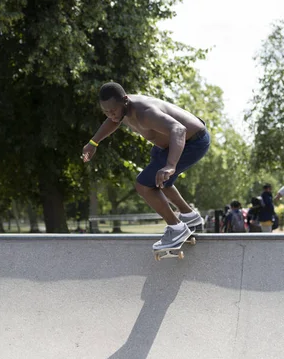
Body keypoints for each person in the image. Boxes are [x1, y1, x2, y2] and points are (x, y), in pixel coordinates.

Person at [82, 82, 210, 251]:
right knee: (159, 180)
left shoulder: (145, 113)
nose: (111, 115)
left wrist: (170, 165)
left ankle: (177, 229)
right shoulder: (121, 110)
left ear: (125, 100)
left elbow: (179, 130)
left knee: (144, 185)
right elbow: (113, 121)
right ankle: (190, 216)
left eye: (113, 111)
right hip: (165, 147)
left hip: (193, 142)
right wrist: (93, 142)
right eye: (106, 111)